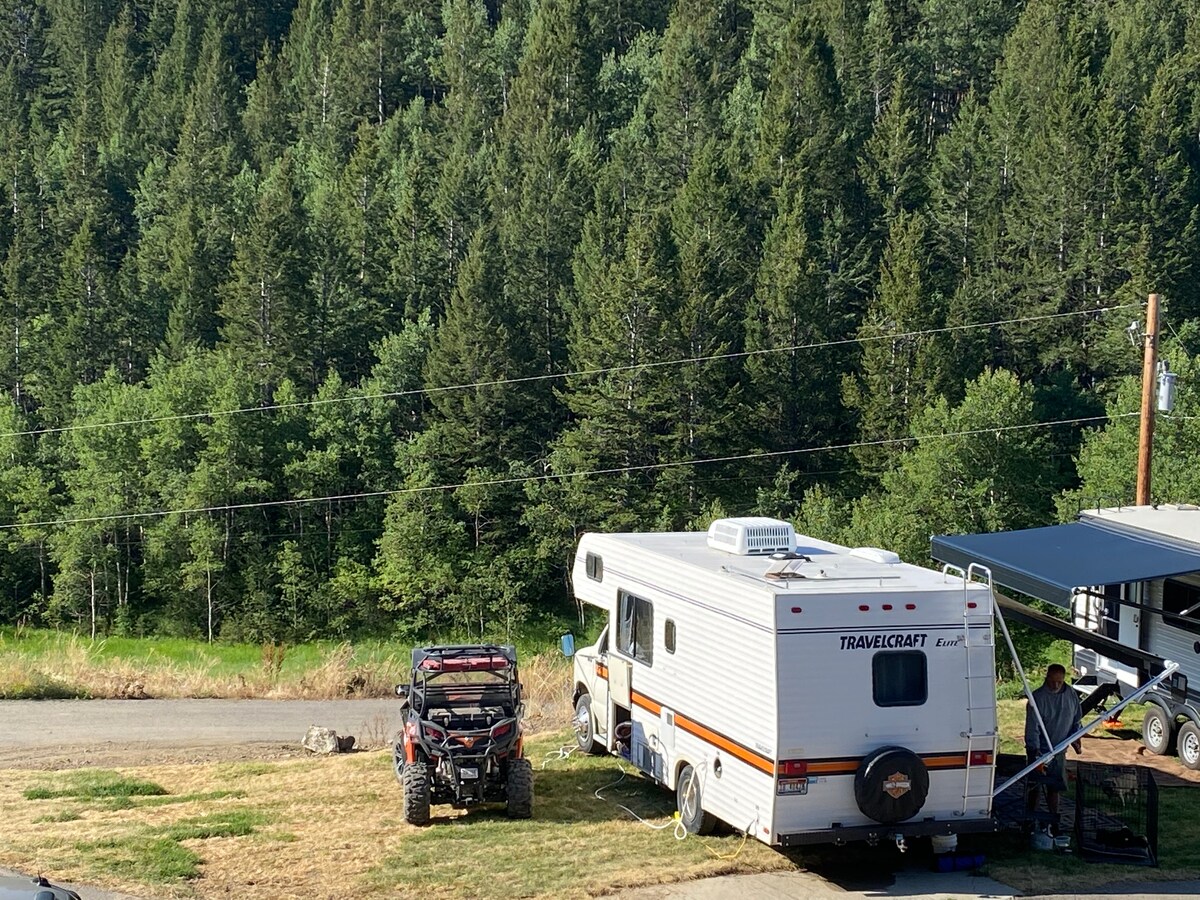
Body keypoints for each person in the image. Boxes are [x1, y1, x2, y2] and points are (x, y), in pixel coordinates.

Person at [1024, 663, 1083, 831]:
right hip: (1039, 751)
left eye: (1060, 682)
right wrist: (1034, 752)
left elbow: (1076, 718)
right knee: (1034, 787)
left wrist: (1076, 738)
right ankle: (1030, 820)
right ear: (1047, 677)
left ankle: (1053, 820)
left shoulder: (1070, 694)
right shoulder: (1037, 699)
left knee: (1054, 787)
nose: (1056, 685)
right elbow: (1032, 727)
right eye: (1053, 681)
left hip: (1059, 750)